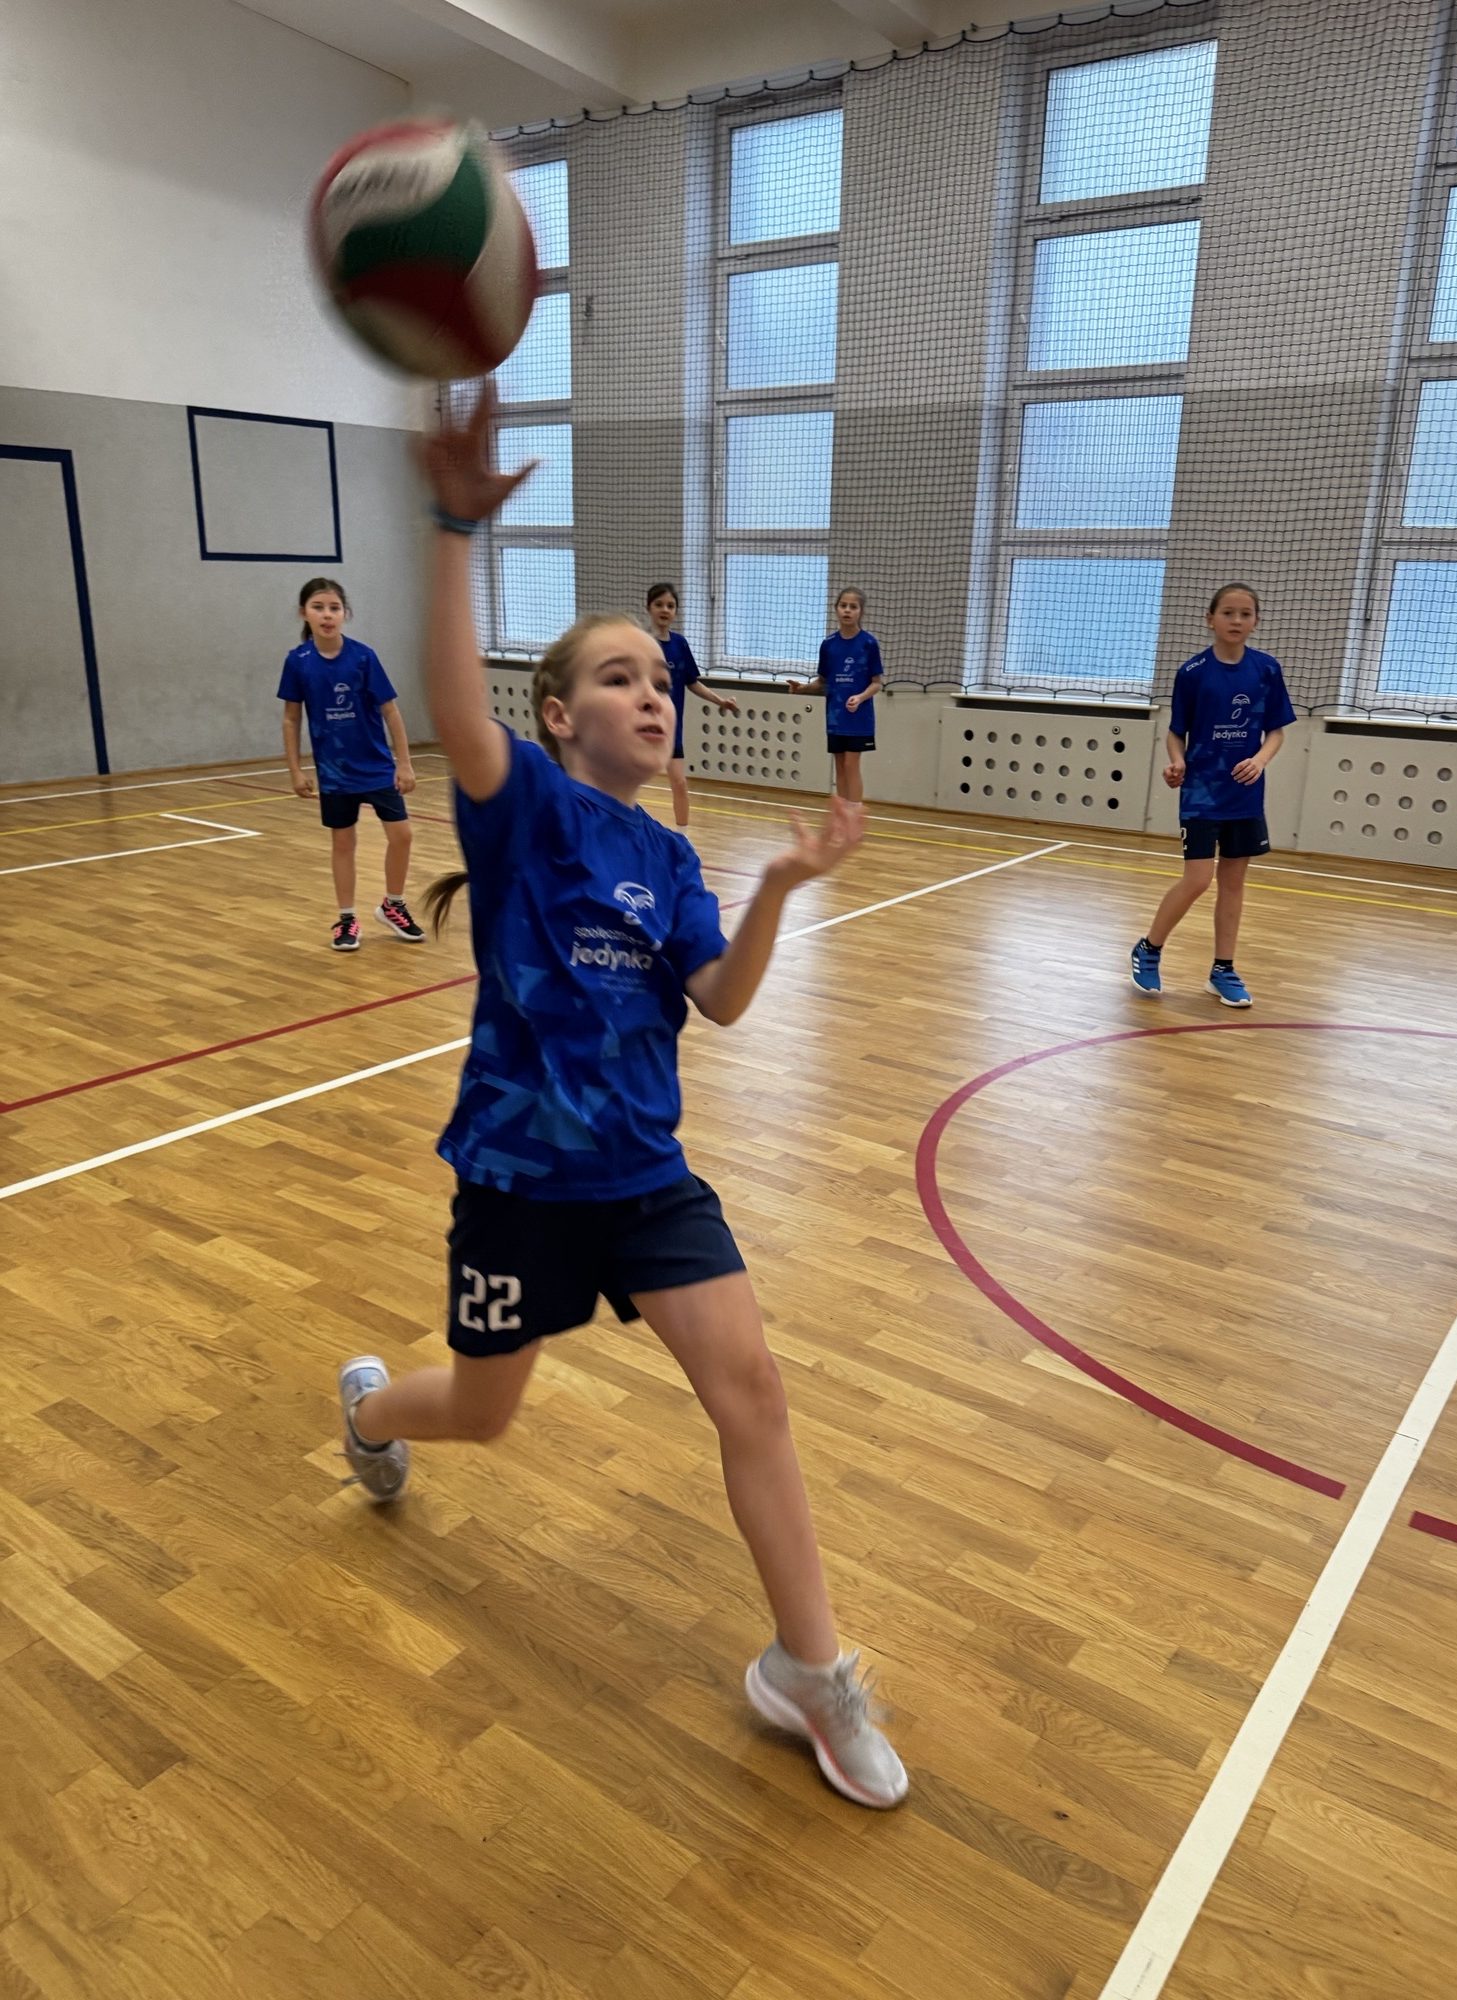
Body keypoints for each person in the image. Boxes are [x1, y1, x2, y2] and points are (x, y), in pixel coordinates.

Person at [336, 390, 908, 1812]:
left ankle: (809, 1669)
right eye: (617, 675)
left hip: (647, 1180)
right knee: (485, 1412)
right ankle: (373, 1413)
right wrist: (454, 527)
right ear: (558, 714)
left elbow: (722, 1002)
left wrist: (776, 889)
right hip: (519, 1183)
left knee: (754, 1389)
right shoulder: (523, 804)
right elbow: (451, 705)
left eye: (659, 677)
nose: (652, 693)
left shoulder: (672, 859)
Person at [1130, 584, 1296, 1007]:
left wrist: (1260, 760)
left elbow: (1276, 732)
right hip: (1202, 793)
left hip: (1244, 795)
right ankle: (1149, 948)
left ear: (1256, 620)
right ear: (1211, 619)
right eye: (1228, 613)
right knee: (1199, 879)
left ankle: (1223, 970)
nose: (1236, 620)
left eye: (1245, 613)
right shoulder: (1193, 673)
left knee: (1234, 882)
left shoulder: (1266, 669)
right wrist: (1177, 762)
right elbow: (1175, 733)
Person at [279, 578, 425, 950]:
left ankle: (393, 905)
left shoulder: (363, 657)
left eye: (334, 608)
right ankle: (346, 919)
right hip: (334, 773)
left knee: (402, 835)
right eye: (318, 607)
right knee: (343, 842)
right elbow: (292, 719)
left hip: (376, 766)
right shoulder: (298, 662)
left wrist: (404, 763)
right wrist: (296, 770)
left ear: (345, 614)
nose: (327, 615)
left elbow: (390, 711)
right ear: (304, 613)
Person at [645, 583, 740, 827]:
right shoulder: (641, 645)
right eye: (659, 604)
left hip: (671, 729)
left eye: (670, 605)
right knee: (628, 781)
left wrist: (720, 701)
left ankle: (682, 837)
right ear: (649, 608)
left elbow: (692, 682)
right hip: (643, 725)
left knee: (679, 783)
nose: (665, 610)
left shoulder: (680, 644)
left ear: (676, 611)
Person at [786, 588, 884, 803]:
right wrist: (802, 689)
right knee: (839, 765)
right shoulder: (828, 645)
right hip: (835, 717)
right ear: (836, 609)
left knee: (851, 764)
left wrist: (860, 697)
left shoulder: (868, 644)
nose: (847, 610)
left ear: (861, 611)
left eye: (853, 607)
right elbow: (823, 682)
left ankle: (854, 812)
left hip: (859, 718)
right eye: (843, 605)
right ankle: (843, 811)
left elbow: (877, 683)